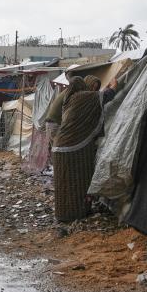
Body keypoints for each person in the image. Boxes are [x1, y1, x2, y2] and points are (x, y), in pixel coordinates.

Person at [52, 76, 118, 222]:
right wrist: (114, 85)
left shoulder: (69, 99)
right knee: (78, 181)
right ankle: (77, 212)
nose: (94, 89)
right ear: (84, 86)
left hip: (60, 147)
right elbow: (107, 95)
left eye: (97, 87)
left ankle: (63, 213)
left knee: (64, 183)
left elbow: (98, 96)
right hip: (74, 148)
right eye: (93, 86)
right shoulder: (83, 97)